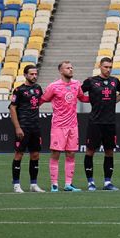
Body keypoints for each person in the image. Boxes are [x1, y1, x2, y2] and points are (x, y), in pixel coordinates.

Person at [40, 61, 87, 192]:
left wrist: (97, 98)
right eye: (68, 68)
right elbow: (42, 100)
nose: (71, 69)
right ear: (61, 71)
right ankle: (54, 184)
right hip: (58, 125)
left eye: (72, 67)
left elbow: (82, 98)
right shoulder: (53, 86)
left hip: (73, 125)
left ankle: (68, 184)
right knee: (55, 154)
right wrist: (28, 111)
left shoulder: (76, 84)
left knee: (71, 154)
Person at [82, 56, 120, 191]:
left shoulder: (114, 81)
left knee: (109, 152)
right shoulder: (91, 81)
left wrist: (113, 101)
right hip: (95, 121)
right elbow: (78, 93)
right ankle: (90, 182)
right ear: (100, 67)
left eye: (110, 67)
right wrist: (90, 100)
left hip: (110, 122)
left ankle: (107, 182)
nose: (108, 69)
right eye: (106, 67)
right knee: (90, 151)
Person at [9, 64, 45, 192]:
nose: (34, 76)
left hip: (35, 126)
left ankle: (33, 184)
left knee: (35, 155)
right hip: (23, 126)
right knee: (19, 154)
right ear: (25, 75)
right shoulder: (19, 90)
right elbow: (12, 108)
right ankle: (16, 184)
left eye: (35, 74)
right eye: (31, 74)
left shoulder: (38, 89)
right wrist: (18, 127)